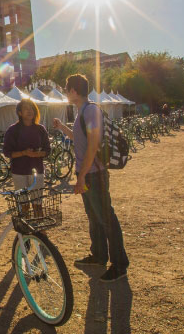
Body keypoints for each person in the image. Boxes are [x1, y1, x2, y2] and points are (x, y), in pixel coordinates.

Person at [53, 74, 129, 282]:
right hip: (88, 173)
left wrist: (82, 176)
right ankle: (98, 255)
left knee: (106, 218)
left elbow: (94, 145)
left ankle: (119, 264)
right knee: (94, 217)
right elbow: (80, 139)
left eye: (67, 89)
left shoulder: (91, 110)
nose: (66, 93)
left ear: (74, 91)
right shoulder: (82, 112)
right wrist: (62, 128)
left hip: (94, 174)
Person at [3, 99, 50, 192]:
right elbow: (7, 152)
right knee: (23, 203)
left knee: (37, 202)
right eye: (26, 109)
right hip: (19, 172)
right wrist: (23, 153)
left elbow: (47, 150)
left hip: (37, 171)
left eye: (32, 108)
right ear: (20, 113)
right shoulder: (12, 130)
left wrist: (36, 154)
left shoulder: (40, 129)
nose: (30, 111)